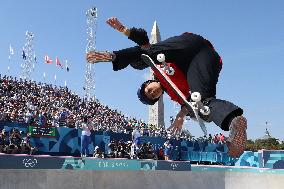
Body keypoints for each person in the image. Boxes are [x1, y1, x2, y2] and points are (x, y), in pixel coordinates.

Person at [86, 17, 247, 158]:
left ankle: (113, 55)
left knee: (145, 56)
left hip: (186, 45)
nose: (153, 92)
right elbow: (187, 103)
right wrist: (181, 116)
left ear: (148, 82)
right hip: (206, 59)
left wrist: (124, 31)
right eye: (153, 96)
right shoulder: (173, 93)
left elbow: (143, 41)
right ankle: (234, 122)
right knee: (201, 103)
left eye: (149, 90)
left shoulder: (156, 69)